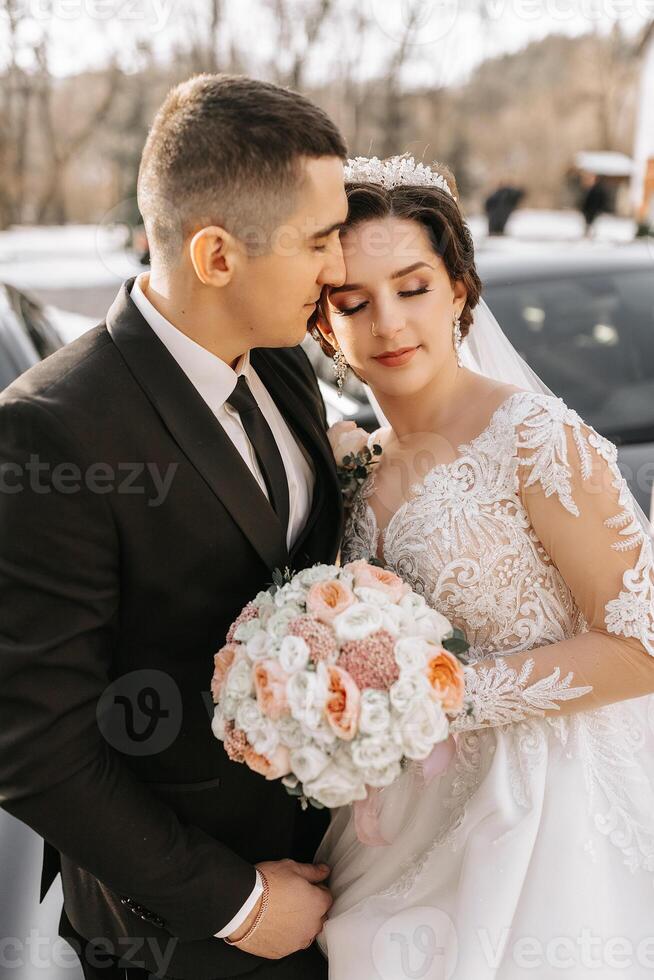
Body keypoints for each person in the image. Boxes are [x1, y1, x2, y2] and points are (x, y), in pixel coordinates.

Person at [0, 74, 349, 980]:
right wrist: (237, 906)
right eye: (319, 240)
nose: (338, 267)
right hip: (184, 932)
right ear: (217, 256)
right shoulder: (52, 428)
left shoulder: (284, 366)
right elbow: (35, 745)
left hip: (344, 876)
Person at [312, 155, 654, 980]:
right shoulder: (348, 468)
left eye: (414, 286)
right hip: (396, 821)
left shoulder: (535, 436)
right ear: (325, 329)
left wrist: (439, 697)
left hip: (547, 815)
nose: (389, 322)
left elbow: (642, 646)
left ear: (461, 289)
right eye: (354, 302)